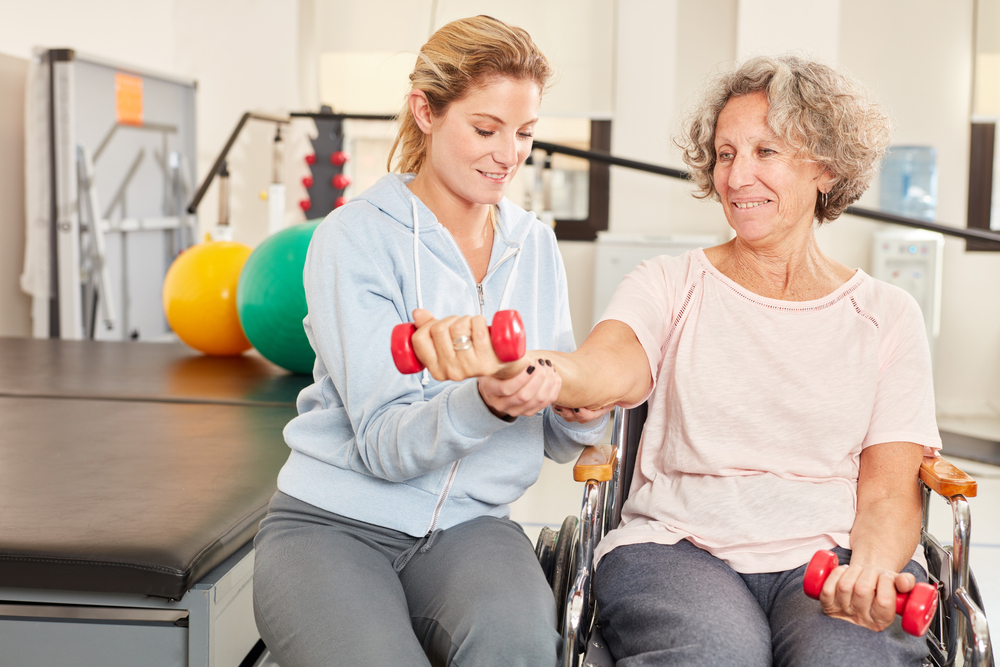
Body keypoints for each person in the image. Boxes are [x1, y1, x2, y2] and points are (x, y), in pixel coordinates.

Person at [409, 54, 941, 666]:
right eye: (724, 154)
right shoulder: (669, 283)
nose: (737, 177)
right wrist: (524, 366)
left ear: (825, 166)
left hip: (833, 554)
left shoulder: (887, 314)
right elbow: (606, 366)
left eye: (765, 152)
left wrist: (870, 574)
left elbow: (887, 492)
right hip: (676, 547)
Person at [251, 15, 608, 667]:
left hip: (473, 528)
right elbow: (386, 444)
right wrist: (488, 400)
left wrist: (581, 406)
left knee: (521, 649)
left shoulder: (535, 246)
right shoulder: (354, 238)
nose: (509, 154)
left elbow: (558, 440)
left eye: (524, 133)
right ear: (425, 111)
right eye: (485, 129)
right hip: (331, 526)